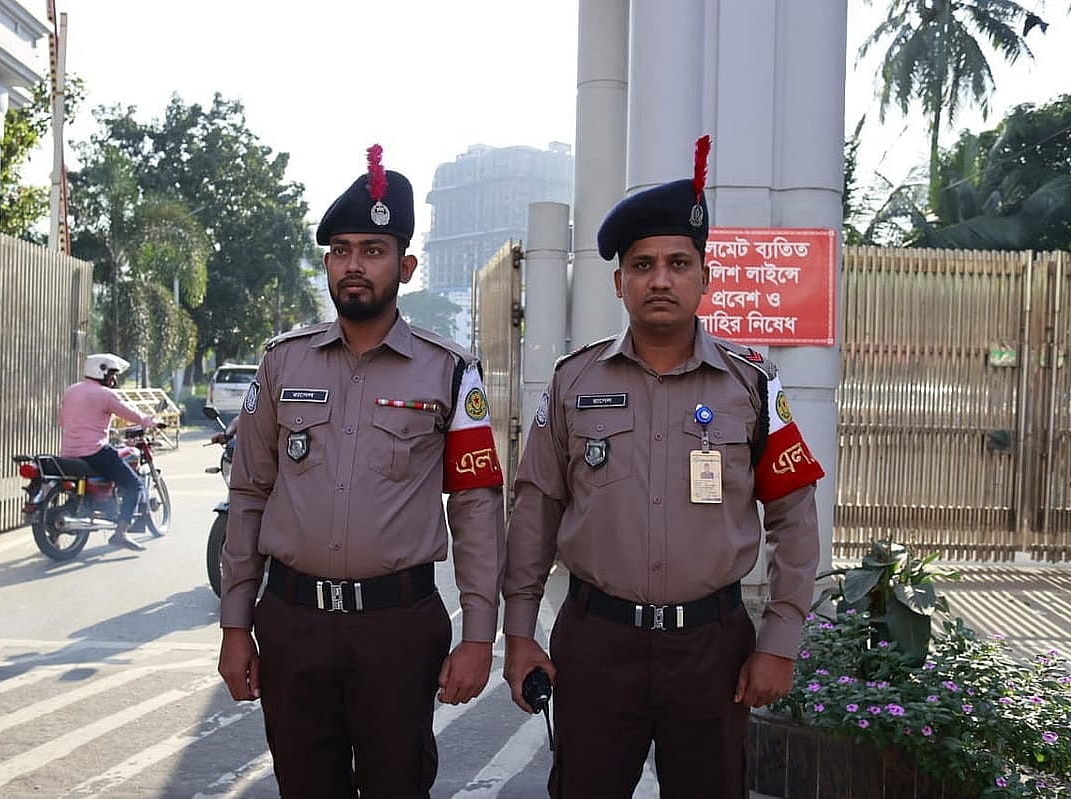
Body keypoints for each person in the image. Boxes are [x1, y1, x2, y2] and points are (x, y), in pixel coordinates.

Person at [501, 136, 825, 799]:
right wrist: (518, 633)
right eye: (642, 264)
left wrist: (781, 637)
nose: (660, 278)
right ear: (619, 282)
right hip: (597, 645)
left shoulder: (753, 384)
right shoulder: (573, 382)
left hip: (712, 649)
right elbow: (534, 512)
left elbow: (794, 517)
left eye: (678, 262)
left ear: (705, 276)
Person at [217, 144, 506, 799]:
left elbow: (476, 507)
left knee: (398, 784)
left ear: (404, 264)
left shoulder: (451, 371)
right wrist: (237, 624)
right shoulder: (283, 364)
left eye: (372, 250)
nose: (354, 264)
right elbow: (250, 491)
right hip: (293, 622)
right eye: (341, 249)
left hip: (397, 629)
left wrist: (478, 635)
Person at [58, 353, 156, 552]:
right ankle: (121, 533)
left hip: (68, 452)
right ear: (101, 371)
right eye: (112, 374)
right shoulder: (105, 394)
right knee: (135, 485)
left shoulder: (71, 391)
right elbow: (129, 413)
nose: (114, 379)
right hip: (94, 452)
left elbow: (63, 421)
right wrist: (149, 421)